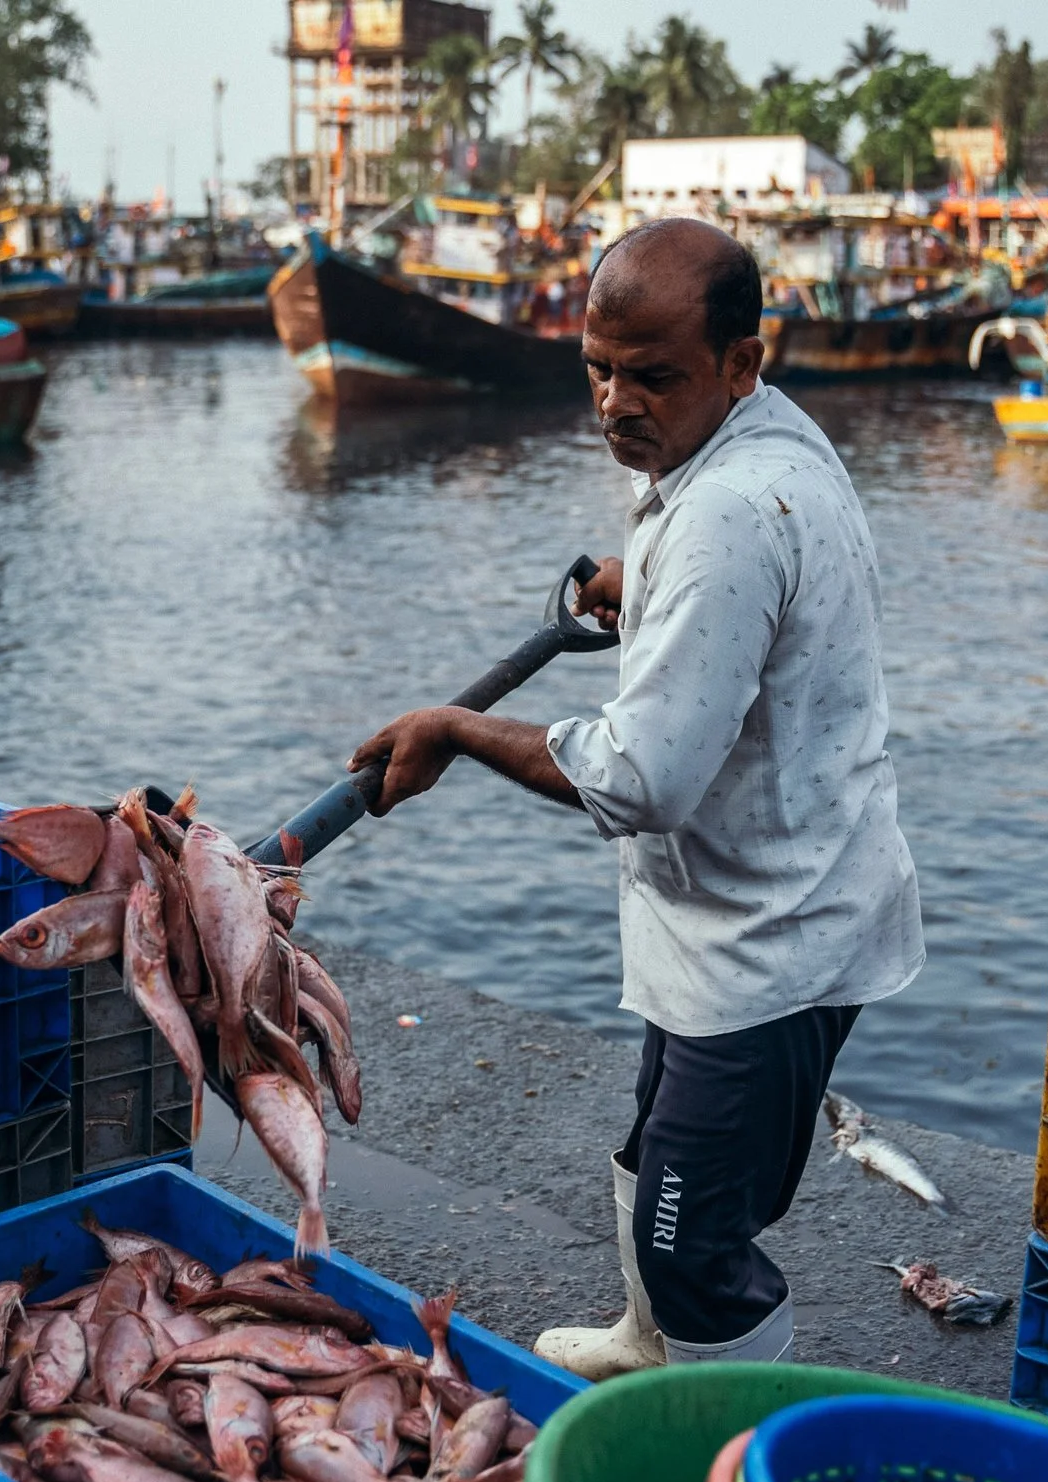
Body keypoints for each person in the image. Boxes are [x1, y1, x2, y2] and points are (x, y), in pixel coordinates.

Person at [348, 218, 923, 1376]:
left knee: (692, 1237)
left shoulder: (723, 517)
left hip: (769, 943)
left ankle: (717, 1461)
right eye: (598, 370)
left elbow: (641, 776)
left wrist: (457, 729)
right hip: (741, 905)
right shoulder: (751, 445)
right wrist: (637, 585)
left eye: (652, 375)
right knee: (654, 1144)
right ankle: (645, 1343)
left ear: (740, 362)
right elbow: (721, 576)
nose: (616, 402)